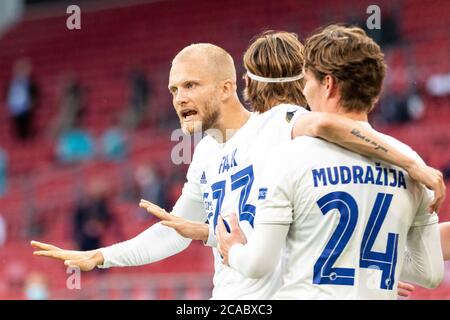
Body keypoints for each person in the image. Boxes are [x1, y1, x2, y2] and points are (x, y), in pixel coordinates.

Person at [31, 35, 445, 299]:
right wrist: (100, 256)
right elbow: (173, 234)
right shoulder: (207, 155)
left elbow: (326, 123)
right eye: (174, 89)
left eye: (190, 86)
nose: (178, 98)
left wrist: (412, 162)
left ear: (232, 87)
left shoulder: (278, 125)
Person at [216, 25, 445, 299]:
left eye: (307, 79)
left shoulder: (289, 155)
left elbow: (258, 263)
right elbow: (429, 272)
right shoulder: (411, 162)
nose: (303, 88)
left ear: (328, 84)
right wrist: (366, 265)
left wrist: (234, 251)